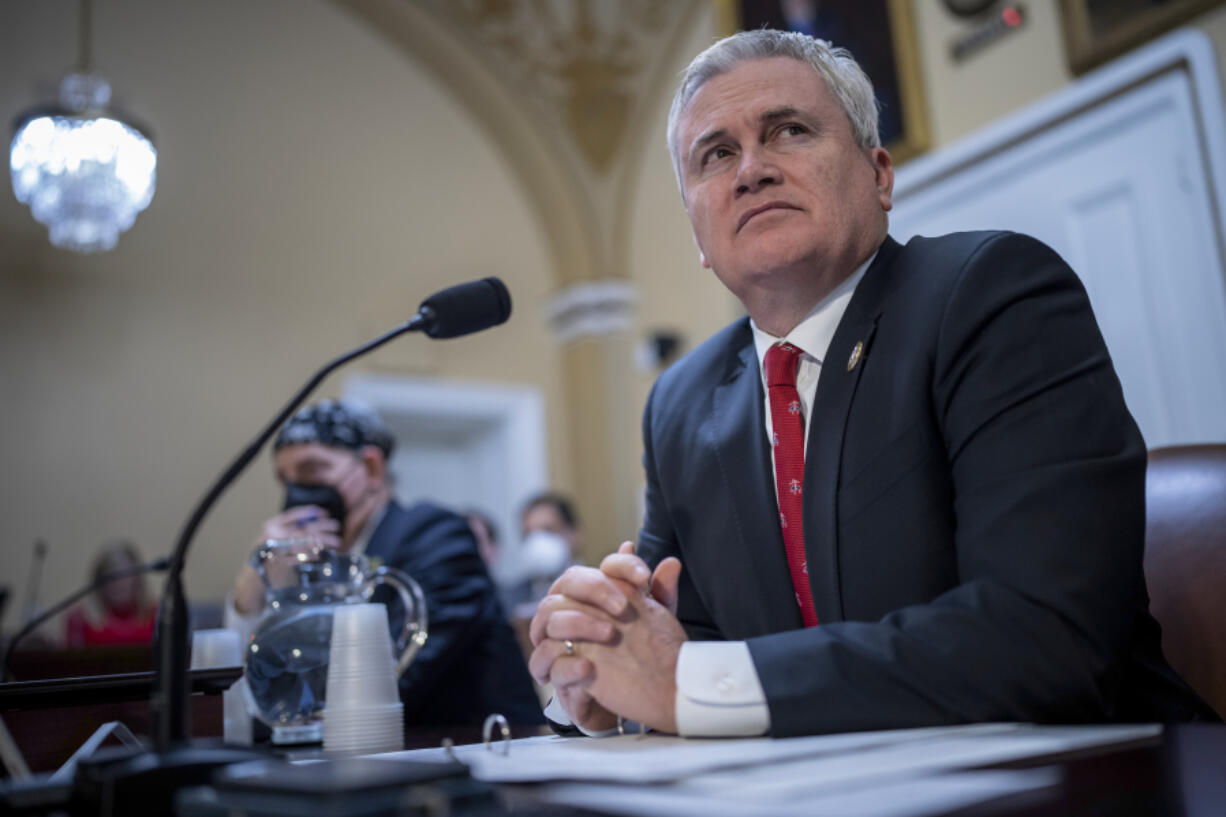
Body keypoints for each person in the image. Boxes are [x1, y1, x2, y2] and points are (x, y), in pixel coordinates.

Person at [529, 29, 1216, 738]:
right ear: (700, 237)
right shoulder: (680, 402)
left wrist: (682, 681)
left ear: (879, 174)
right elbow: (686, 642)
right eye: (717, 153)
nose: (751, 171)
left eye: (788, 130)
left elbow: (1045, 636)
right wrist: (603, 673)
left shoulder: (992, 296)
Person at [230, 399, 543, 727]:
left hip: (485, 749)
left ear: (372, 468)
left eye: (312, 470)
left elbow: (391, 681)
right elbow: (269, 691)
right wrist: (257, 582)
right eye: (285, 478)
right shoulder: (320, 565)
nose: (296, 490)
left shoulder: (435, 535)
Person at [65, 541, 156, 647]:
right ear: (99, 583)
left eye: (125, 575)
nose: (119, 583)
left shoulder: (157, 615)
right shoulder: (80, 620)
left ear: (138, 580)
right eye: (112, 577)